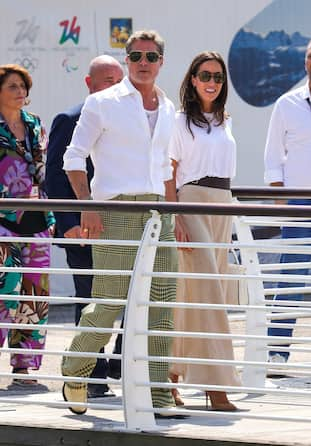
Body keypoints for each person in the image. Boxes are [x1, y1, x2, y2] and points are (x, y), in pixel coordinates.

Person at [61, 30, 180, 417]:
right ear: (126, 60)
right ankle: (75, 373)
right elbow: (74, 158)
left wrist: (173, 214)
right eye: (136, 56)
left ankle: (156, 392)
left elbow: (165, 167)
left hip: (158, 212)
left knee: (162, 304)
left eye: (151, 56)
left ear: (162, 61)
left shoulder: (168, 107)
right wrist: (88, 205)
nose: (143, 62)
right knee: (109, 300)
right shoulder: (101, 103)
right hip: (115, 210)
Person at [165, 51, 241, 411]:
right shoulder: (180, 122)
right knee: (207, 294)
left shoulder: (226, 120)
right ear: (192, 80)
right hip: (191, 203)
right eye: (205, 75)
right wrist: (176, 216)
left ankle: (170, 376)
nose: (212, 82)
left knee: (195, 295)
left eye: (218, 77)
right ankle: (216, 386)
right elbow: (169, 171)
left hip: (222, 203)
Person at [45, 55, 124, 398]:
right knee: (89, 298)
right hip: (84, 230)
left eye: (119, 80)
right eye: (107, 80)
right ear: (89, 84)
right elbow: (54, 177)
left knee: (134, 297)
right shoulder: (70, 118)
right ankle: (90, 374)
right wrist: (69, 223)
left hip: (126, 227)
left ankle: (123, 363)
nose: (115, 86)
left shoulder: (132, 118)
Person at [264, 35, 311, 365]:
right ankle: (277, 352)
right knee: (290, 279)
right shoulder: (287, 104)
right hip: (300, 204)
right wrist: (281, 202)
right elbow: (272, 157)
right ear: (305, 63)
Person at [0, 64, 55, 386]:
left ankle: (24, 368)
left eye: (23, 86)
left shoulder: (35, 124)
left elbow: (43, 171)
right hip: (2, 220)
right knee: (4, 293)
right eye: (12, 86)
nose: (21, 92)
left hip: (36, 220)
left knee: (34, 295)